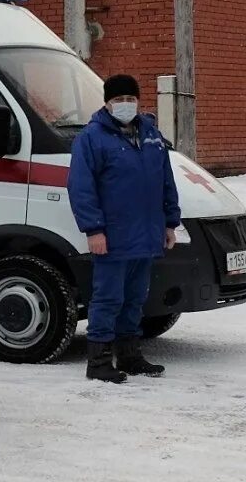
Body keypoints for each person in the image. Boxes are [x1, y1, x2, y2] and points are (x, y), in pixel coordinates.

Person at [68, 74, 180, 384]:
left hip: (146, 234)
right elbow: (81, 188)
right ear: (106, 103)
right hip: (113, 236)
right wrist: (94, 230)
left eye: (130, 99)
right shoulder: (91, 138)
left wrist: (170, 222)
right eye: (119, 100)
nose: (125, 105)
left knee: (135, 298)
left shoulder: (152, 135)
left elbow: (165, 181)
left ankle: (130, 355)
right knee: (108, 299)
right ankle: (99, 361)